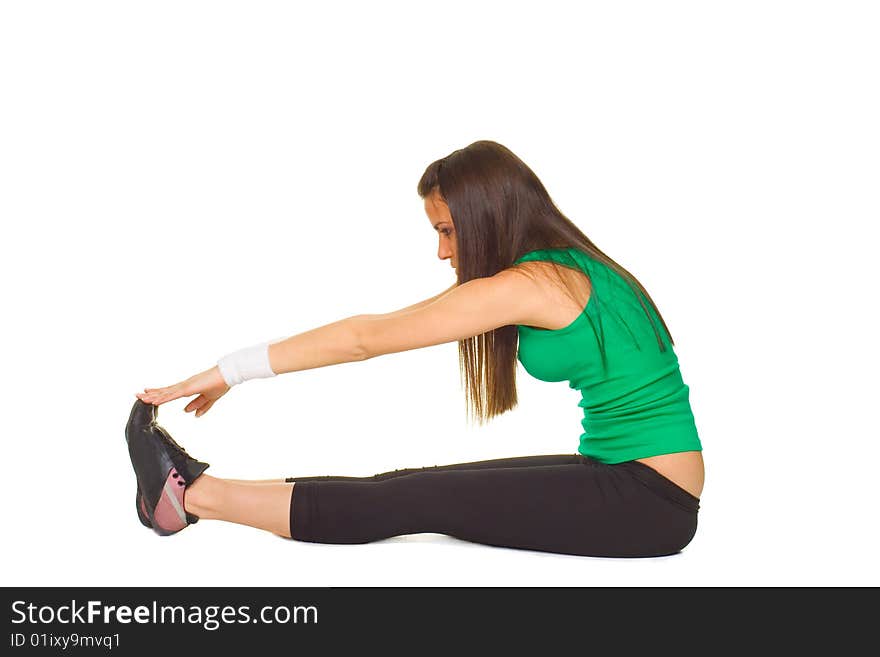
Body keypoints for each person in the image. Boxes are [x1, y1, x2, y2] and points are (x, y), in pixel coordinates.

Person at [127, 140, 704, 558]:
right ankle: (192, 492)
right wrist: (231, 372)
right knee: (408, 486)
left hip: (645, 500)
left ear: (488, 219)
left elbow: (363, 340)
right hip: (628, 479)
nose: (442, 251)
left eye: (447, 231)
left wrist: (230, 371)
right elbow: (387, 323)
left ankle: (192, 497)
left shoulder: (533, 285)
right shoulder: (561, 269)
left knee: (409, 500)